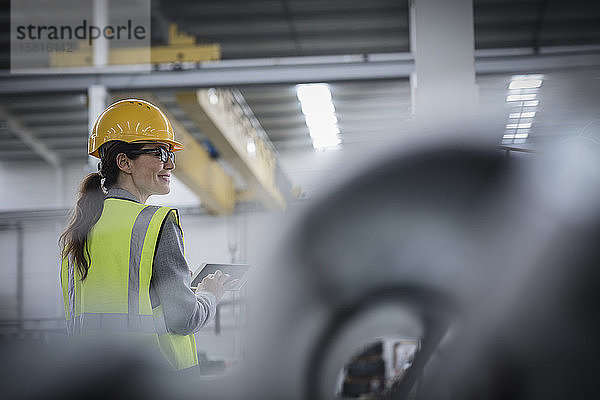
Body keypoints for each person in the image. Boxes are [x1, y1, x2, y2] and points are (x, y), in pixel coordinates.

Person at [59, 98, 236, 373]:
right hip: (153, 379)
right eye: (160, 154)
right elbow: (184, 319)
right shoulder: (156, 223)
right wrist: (208, 295)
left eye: (170, 154)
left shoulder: (79, 229)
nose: (170, 165)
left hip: (92, 380)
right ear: (124, 162)